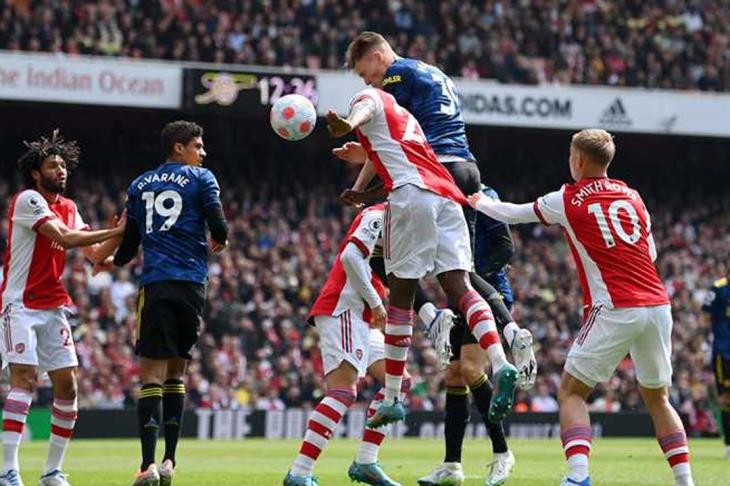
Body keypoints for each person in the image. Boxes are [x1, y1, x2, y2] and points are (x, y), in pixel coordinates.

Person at [467, 128, 695, 486]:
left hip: (615, 305)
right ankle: (685, 481)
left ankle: (578, 477)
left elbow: (514, 214)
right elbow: (649, 253)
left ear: (579, 160)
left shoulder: (568, 198)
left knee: (572, 392)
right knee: (658, 398)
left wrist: (478, 201)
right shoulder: (633, 196)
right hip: (657, 305)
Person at [338, 31, 536, 394]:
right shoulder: (434, 73)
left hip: (432, 173)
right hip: (465, 167)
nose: (368, 81)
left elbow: (390, 131)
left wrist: (361, 177)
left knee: (380, 260)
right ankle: (508, 333)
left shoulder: (396, 76)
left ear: (378, 56)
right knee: (460, 273)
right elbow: (398, 136)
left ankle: (430, 322)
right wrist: (361, 184)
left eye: (366, 73)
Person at [326, 85, 519, 431]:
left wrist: (348, 123)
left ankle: (391, 398)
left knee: (401, 296)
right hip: (447, 196)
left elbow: (367, 107)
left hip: (413, 197)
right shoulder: (411, 124)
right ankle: (501, 360)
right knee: (461, 285)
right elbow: (406, 168)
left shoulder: (375, 97)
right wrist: (362, 189)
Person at [0, 130, 125, 486]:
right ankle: (7, 470)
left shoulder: (69, 207)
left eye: (63, 165)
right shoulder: (28, 200)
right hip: (20, 304)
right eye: (53, 165)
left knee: (68, 387)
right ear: (36, 172)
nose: (61, 170)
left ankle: (51, 472)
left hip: (53, 305)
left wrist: (122, 234)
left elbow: (95, 255)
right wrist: (115, 232)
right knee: (25, 379)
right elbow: (68, 239)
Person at [113, 121, 228, 486]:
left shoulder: (139, 184)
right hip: (192, 286)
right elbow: (219, 226)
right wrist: (221, 238)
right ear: (179, 147)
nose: (203, 152)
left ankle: (146, 465)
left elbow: (128, 249)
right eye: (197, 146)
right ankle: (169, 461)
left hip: (156, 284)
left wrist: (106, 259)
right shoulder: (202, 178)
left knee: (151, 376)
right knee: (176, 373)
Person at [285, 203, 406, 486]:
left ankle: (366, 461)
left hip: (362, 316)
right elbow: (351, 257)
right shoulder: (379, 214)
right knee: (342, 392)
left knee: (398, 382)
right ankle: (299, 473)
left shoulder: (402, 220)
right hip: (345, 307)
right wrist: (376, 303)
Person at [419, 184, 517, 485]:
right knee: (454, 375)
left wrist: (472, 278)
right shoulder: (442, 193)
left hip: (488, 295)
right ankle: (451, 466)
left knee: (471, 369)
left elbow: (504, 247)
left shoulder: (484, 195)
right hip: (459, 297)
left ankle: (503, 454)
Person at [702, 255, 730, 458]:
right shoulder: (718, 288)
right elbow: (705, 314)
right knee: (726, 398)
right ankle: (729, 444)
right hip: (724, 351)